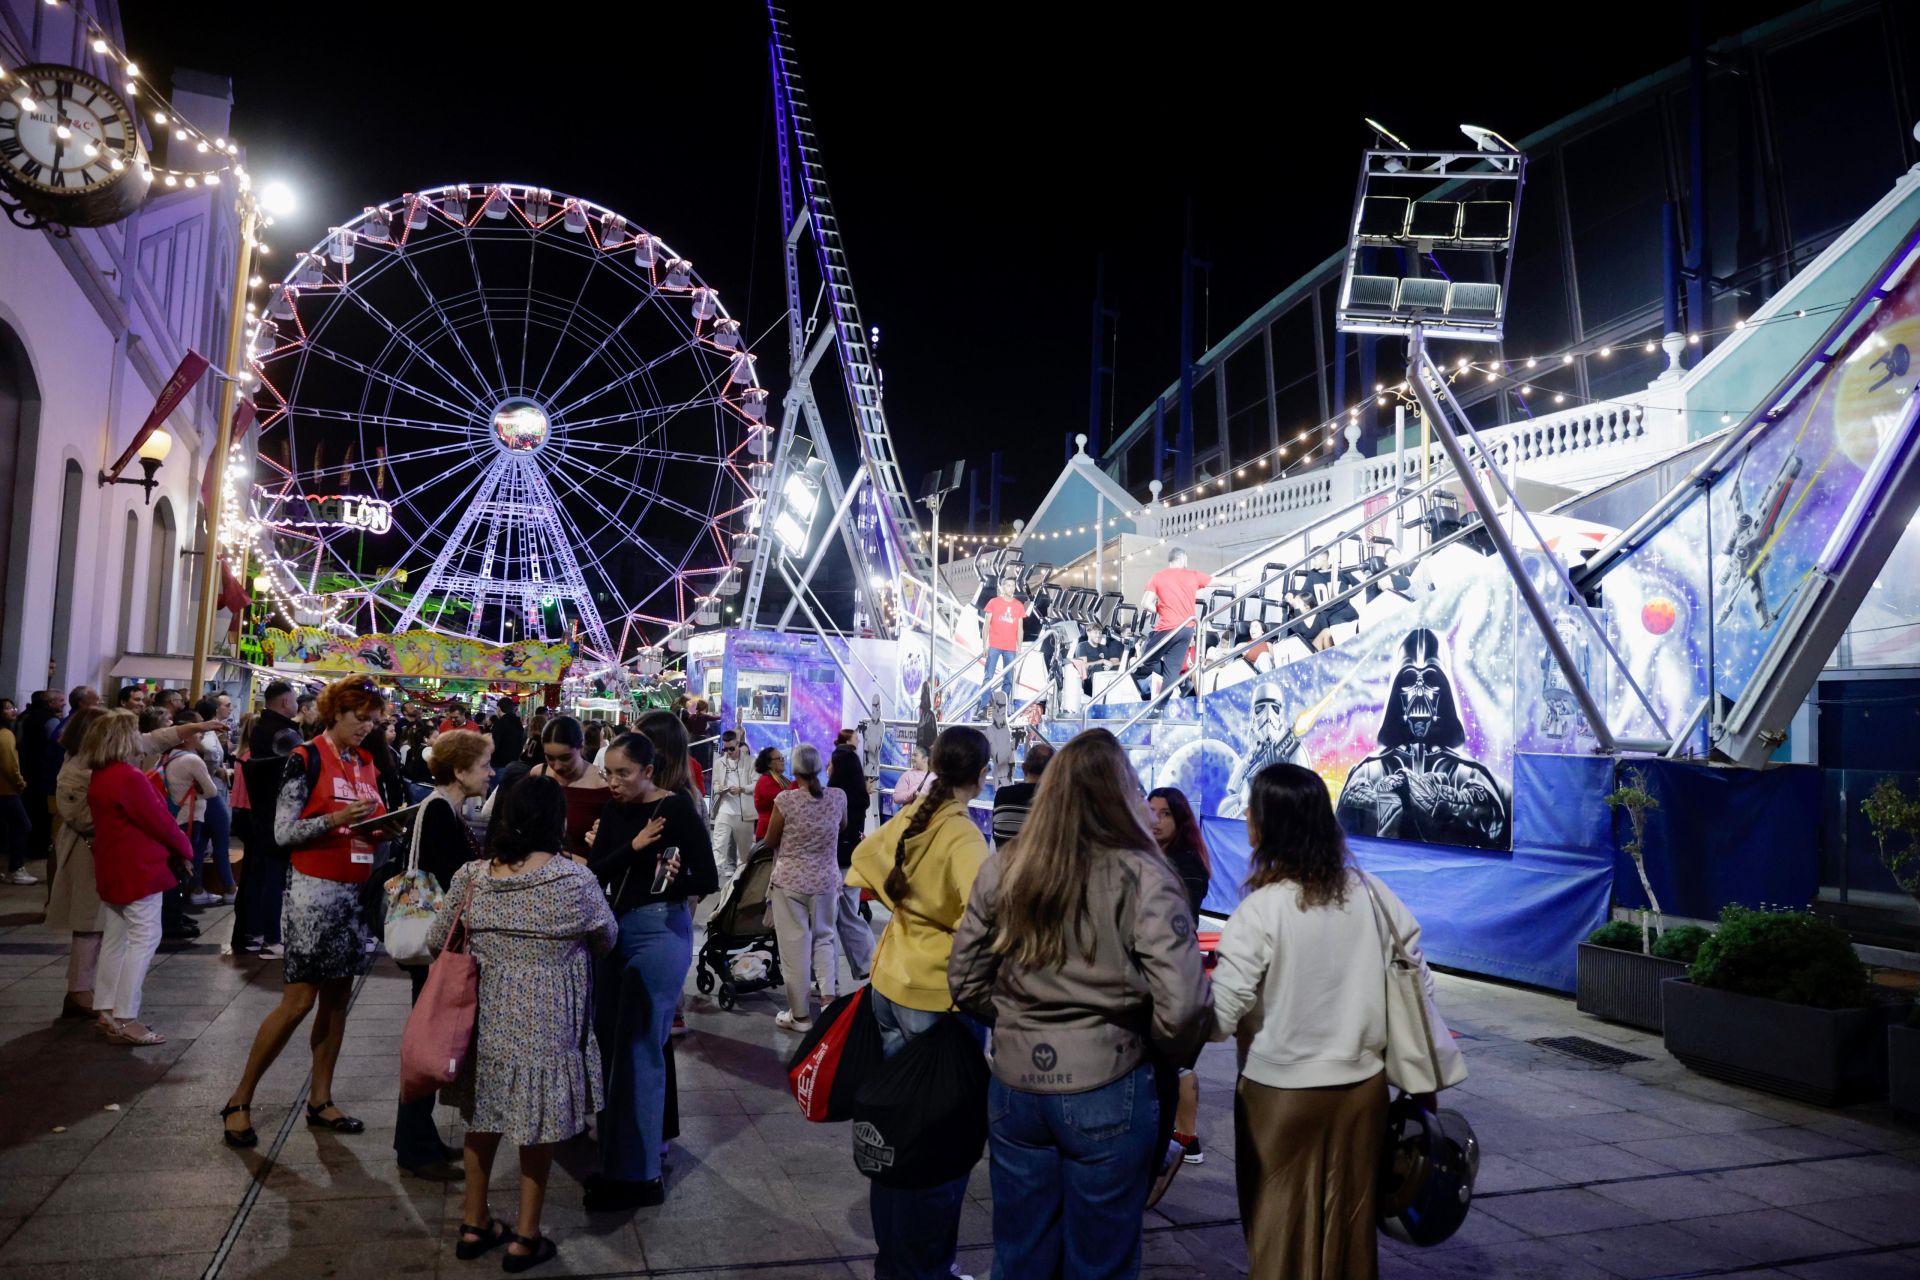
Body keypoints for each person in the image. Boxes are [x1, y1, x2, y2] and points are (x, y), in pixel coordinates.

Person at [949, 729, 1210, 1279]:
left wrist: (1016, 1020)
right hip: (1109, 1079)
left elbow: (965, 978)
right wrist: (1157, 1048)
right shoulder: (1146, 875)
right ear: (1123, 793)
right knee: (1101, 1263)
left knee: (1019, 1255)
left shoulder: (1005, 865)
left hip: (1015, 1087)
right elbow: (1185, 1003)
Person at [1210, 762, 1437, 1280]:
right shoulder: (1373, 894)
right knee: (1349, 1236)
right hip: (1363, 1091)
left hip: (1279, 1095)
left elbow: (1221, 1016)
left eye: (1251, 810)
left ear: (1267, 825)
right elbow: (1420, 982)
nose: (1246, 818)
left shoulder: (1261, 910)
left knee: (1277, 1233)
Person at [428, 775, 619, 1271]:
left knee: (482, 1118)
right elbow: (606, 939)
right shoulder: (575, 880)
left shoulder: (472, 876)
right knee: (539, 1126)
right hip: (548, 1023)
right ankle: (526, 1237)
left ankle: (474, 1223)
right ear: (558, 820)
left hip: (484, 1021)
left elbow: (436, 939)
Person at [846, 725, 992, 1280]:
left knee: (896, 1132)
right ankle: (925, 1268)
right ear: (982, 774)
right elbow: (987, 917)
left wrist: (908, 907)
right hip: (936, 1000)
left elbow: (865, 855)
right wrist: (944, 923)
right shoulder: (963, 836)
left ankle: (897, 1261)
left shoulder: (916, 816)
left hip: (889, 983)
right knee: (938, 1144)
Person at [221, 677, 391, 1148]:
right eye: (360, 717)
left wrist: (384, 827)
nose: (367, 727)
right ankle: (239, 1099)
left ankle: (321, 1099)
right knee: (298, 1002)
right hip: (313, 892)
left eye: (373, 720)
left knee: (337, 1002)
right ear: (336, 712)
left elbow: (370, 821)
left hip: (354, 892)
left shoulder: (365, 761)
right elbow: (283, 832)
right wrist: (337, 819)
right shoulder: (306, 757)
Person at [585, 732, 719, 1210]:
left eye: (623, 773)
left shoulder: (675, 809)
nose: (614, 782)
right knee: (610, 1046)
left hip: (659, 931)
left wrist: (671, 880)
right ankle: (618, 1160)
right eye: (609, 772)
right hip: (612, 930)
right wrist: (635, 847)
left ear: (648, 771)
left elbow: (707, 877)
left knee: (640, 1048)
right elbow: (597, 870)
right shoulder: (613, 809)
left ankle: (638, 1175)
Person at [85, 710, 196, 1045]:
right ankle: (126, 1017)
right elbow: (159, 820)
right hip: (139, 868)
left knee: (116, 940)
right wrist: (185, 849)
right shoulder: (128, 777)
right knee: (144, 938)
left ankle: (107, 1010)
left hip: (112, 866)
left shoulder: (101, 775)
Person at [1148, 785, 1213, 1169]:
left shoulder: (1186, 863)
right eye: (1151, 812)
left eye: (1165, 813)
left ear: (1181, 819)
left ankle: (1186, 1136)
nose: (1156, 820)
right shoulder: (1154, 856)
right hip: (1160, 969)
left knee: (1177, 1061)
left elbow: (1178, 920)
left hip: (1174, 972)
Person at [763, 744, 846, 1031]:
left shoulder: (785, 800)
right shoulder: (838, 797)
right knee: (825, 939)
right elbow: (842, 826)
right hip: (826, 880)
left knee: (794, 947)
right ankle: (828, 1002)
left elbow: (770, 840)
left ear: (795, 770)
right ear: (819, 768)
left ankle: (799, 1017)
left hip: (790, 882)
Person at [826, 735, 874, 982]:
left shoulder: (833, 796)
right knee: (850, 916)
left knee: (827, 924)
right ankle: (869, 965)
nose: (828, 768)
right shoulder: (860, 796)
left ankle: (827, 977)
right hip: (852, 860)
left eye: (831, 764)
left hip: (832, 862)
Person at [1136, 547, 1212, 702]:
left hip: (1168, 628)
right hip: (1187, 628)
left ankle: (1169, 679)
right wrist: (1239, 579)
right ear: (1182, 558)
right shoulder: (1192, 575)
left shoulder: (1158, 577)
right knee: (1172, 671)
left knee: (1147, 658)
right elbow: (1218, 581)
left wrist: (1159, 609)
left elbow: (1145, 603)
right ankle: (1160, 707)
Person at [707, 730, 754, 890]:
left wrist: (741, 789)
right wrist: (719, 788)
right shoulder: (719, 763)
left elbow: (756, 784)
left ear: (738, 744)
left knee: (745, 852)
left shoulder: (750, 762)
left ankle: (743, 885)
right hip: (725, 809)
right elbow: (715, 783)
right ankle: (713, 881)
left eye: (731, 748)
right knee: (718, 846)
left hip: (744, 812)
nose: (728, 752)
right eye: (725, 749)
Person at [989, 740, 1052, 847]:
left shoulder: (1002, 794)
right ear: (1055, 771)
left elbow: (996, 835)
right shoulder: (1057, 801)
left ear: (1024, 768)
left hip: (1004, 856)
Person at [979, 579, 1028, 716]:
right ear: (1002, 587)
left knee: (1008, 679)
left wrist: (1019, 648)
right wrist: (984, 645)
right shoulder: (993, 602)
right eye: (1008, 585)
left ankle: (1001, 707)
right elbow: (986, 626)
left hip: (1010, 648)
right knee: (988, 676)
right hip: (994, 646)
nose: (1011, 588)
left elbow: (1020, 629)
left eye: (1013, 586)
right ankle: (983, 706)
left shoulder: (1018, 605)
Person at [0, 697, 29, 882]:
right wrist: (20, 783)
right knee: (22, 825)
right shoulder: (6, 735)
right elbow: (9, 764)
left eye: (13, 707)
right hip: (7, 790)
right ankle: (16, 868)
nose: (13, 711)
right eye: (7, 708)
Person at [752, 745, 790, 841]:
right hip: (767, 834)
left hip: (777, 832)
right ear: (769, 763)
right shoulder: (766, 780)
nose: (782, 761)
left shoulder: (779, 778)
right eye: (779, 759)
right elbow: (786, 801)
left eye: (783, 758)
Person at [489, 696, 525, 771]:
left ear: (499, 708)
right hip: (514, 764)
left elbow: (494, 744)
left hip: (499, 764)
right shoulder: (518, 722)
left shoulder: (499, 723)